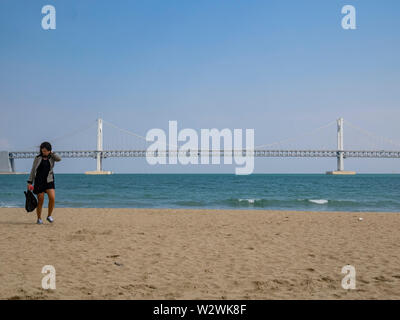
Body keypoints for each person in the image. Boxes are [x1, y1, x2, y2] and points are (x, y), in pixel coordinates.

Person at [27, 142, 62, 224]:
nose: (44, 152)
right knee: (41, 200)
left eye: (46, 151)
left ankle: (49, 216)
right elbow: (33, 170)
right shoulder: (37, 158)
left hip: (49, 180)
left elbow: (59, 159)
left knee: (52, 198)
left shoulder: (52, 157)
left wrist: (52, 153)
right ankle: (39, 218)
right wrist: (30, 182)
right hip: (39, 181)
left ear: (49, 151)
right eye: (43, 151)